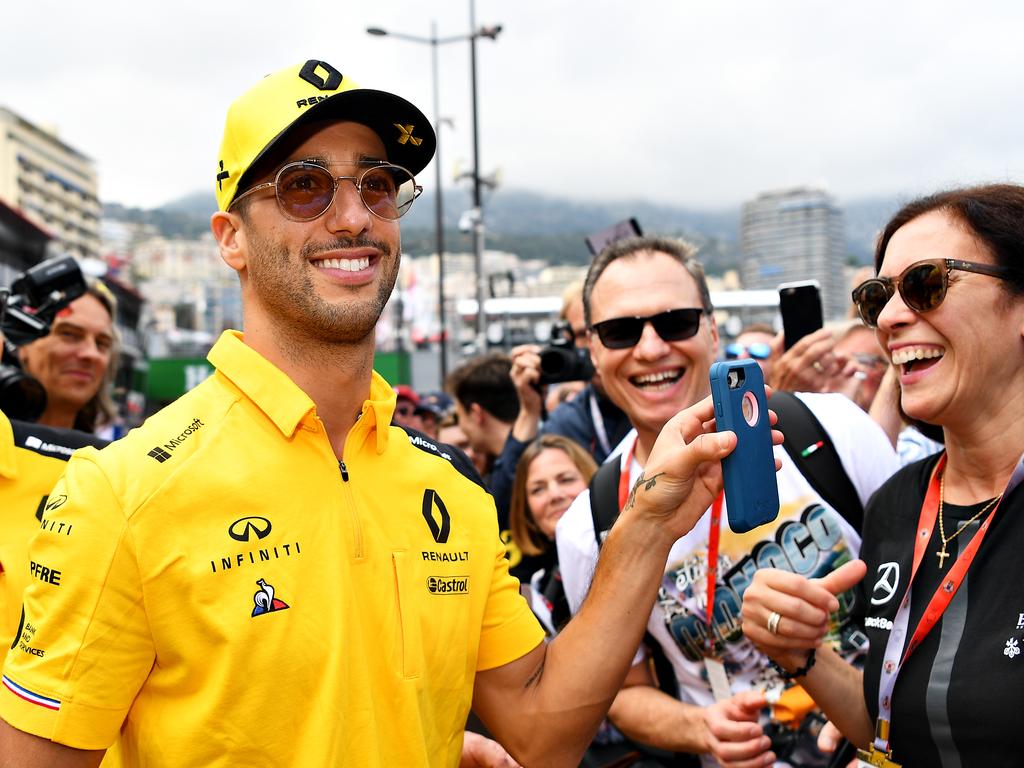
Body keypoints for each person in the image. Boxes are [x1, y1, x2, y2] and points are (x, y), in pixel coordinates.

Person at [0, 58, 746, 768]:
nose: (353, 217)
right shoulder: (122, 494)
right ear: (231, 238)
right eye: (304, 187)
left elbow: (542, 731)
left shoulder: (451, 490)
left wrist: (648, 523)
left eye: (378, 185)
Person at [555, 236, 898, 767]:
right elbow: (620, 690)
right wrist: (699, 728)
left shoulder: (830, 427)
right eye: (621, 331)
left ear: (713, 331)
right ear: (594, 353)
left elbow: (931, 594)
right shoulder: (590, 523)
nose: (650, 349)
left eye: (676, 322)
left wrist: (875, 715)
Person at [741, 184, 1024, 767]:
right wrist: (801, 654)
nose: (891, 318)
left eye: (926, 284)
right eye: (877, 297)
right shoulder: (899, 500)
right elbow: (890, 725)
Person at [508, 434, 596, 633]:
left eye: (566, 479)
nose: (555, 495)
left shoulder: (633, 545)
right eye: (538, 489)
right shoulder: (538, 590)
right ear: (528, 512)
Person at [15, 282, 118, 433]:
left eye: (101, 343)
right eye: (69, 334)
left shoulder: (108, 454)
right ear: (22, 343)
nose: (91, 354)